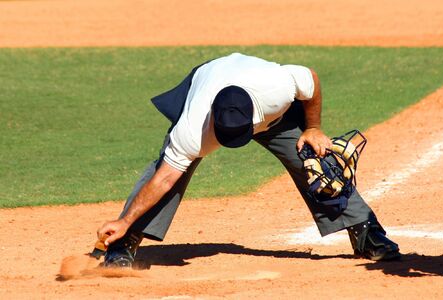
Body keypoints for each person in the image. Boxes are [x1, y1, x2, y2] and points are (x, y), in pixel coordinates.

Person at [97, 53, 400, 267]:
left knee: (312, 159)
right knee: (172, 168)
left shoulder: (276, 90)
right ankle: (125, 239)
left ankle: (365, 231)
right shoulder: (193, 127)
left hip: (267, 106)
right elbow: (164, 178)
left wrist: (312, 128)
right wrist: (123, 221)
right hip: (207, 80)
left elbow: (311, 81)